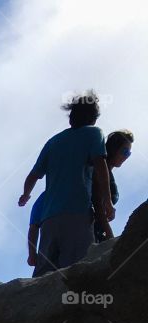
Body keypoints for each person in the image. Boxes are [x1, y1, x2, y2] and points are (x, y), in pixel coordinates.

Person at [18, 90, 113, 276]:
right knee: (77, 271)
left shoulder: (53, 142)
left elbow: (33, 176)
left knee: (43, 275)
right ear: (94, 118)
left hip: (49, 219)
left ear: (72, 117)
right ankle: (77, 303)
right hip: (77, 212)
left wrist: (26, 194)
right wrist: (108, 201)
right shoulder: (94, 133)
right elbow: (101, 168)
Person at [93, 129, 134, 242]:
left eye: (129, 154)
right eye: (125, 152)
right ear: (114, 149)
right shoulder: (101, 170)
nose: (126, 157)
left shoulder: (108, 174)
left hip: (96, 231)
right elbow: (97, 205)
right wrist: (110, 235)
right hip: (89, 230)